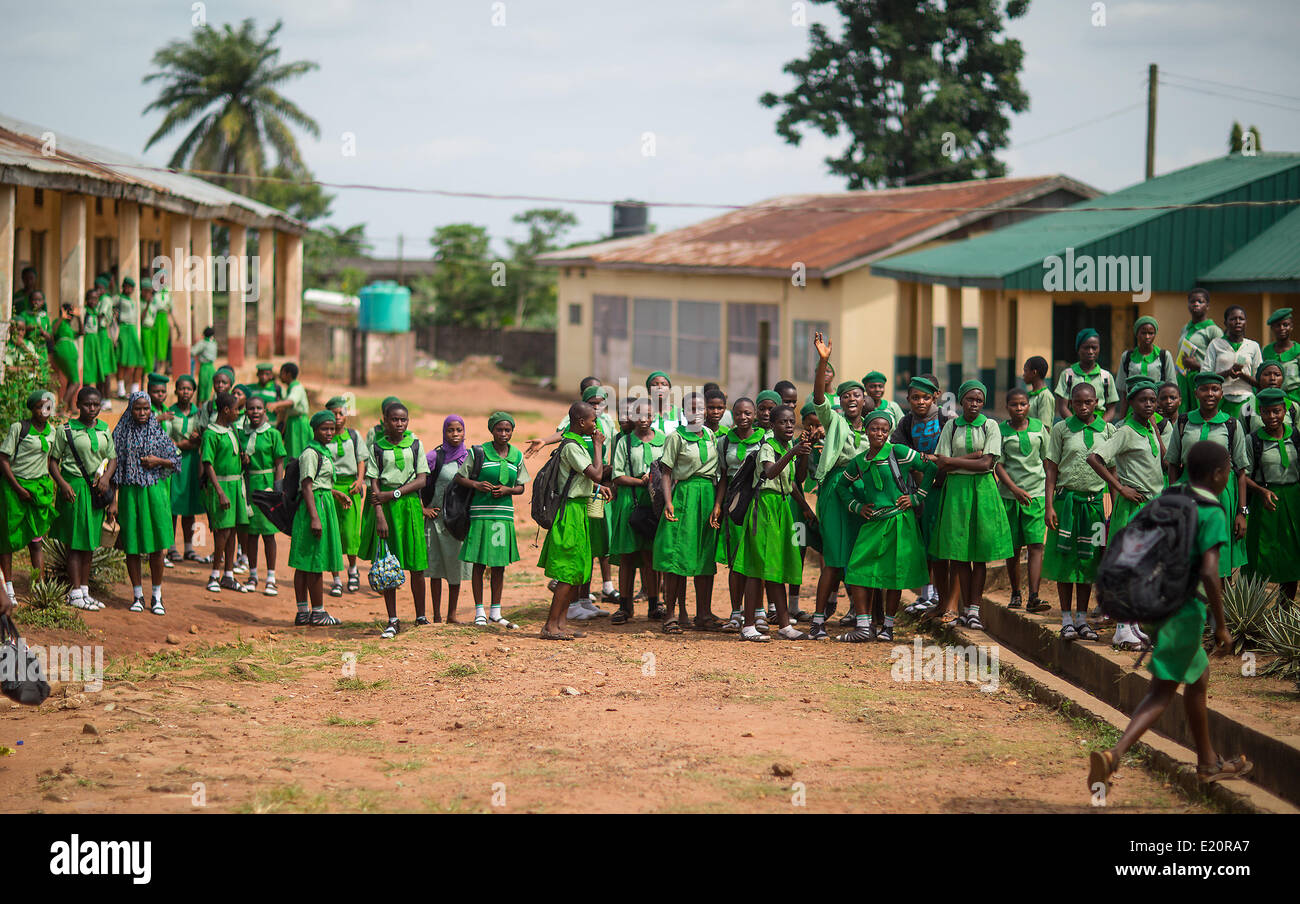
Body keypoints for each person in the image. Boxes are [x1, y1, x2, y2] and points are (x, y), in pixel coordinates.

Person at [1087, 441, 1252, 793]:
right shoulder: (1211, 511)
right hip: (1183, 611)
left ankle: (1208, 762)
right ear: (1219, 475)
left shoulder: (1170, 495)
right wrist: (1222, 626)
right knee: (1161, 692)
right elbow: (1210, 572)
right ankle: (1113, 755)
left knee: (1199, 678)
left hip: (1153, 602)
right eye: (1226, 472)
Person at [836, 408, 933, 642]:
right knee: (858, 570)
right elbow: (841, 487)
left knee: (894, 575)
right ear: (866, 431)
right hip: (873, 523)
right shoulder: (859, 462)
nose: (879, 433)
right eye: (874, 429)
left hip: (900, 521)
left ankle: (888, 628)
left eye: (884, 429)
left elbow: (930, 468)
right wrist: (858, 507)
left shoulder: (897, 452)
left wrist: (917, 497)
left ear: (889, 432)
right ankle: (863, 627)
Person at [924, 380, 1012, 630]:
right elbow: (941, 463)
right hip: (956, 493)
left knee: (979, 554)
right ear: (961, 401)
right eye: (970, 399)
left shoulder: (990, 425)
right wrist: (969, 457)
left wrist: (955, 461)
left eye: (979, 400)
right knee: (960, 555)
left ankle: (974, 609)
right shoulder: (951, 426)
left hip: (983, 492)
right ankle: (963, 609)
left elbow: (987, 464)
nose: (974, 404)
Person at [1087, 380, 1166, 650]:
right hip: (1134, 507)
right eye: (1143, 400)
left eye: (1152, 401)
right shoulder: (1125, 431)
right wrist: (1120, 487)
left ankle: (1133, 627)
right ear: (1130, 403)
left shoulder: (1148, 428)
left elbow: (1165, 461)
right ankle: (1122, 630)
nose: (1148, 405)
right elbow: (1094, 457)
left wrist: (1155, 426)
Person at [807, 332, 872, 640]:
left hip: (862, 491)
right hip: (835, 488)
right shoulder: (834, 422)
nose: (850, 400)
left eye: (856, 396)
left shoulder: (876, 427)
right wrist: (823, 361)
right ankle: (818, 620)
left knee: (858, 555)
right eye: (845, 396)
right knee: (833, 556)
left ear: (864, 400)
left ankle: (863, 622)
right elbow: (819, 396)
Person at [732, 404, 812, 641]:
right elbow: (770, 472)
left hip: (782, 506)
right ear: (772, 424)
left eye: (791, 421)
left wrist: (806, 507)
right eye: (782, 422)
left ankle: (785, 625)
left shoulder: (788, 446)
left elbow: (794, 482)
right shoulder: (768, 446)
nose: (788, 426)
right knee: (757, 568)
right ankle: (748, 626)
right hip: (764, 507)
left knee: (776, 567)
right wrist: (793, 453)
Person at [1043, 382, 1115, 641]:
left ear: (1097, 403)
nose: (1083, 407)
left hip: (1095, 505)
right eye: (1078, 402)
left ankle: (1083, 620)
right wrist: (1049, 505)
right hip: (1066, 504)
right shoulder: (1062, 429)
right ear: (1070, 404)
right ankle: (1066, 619)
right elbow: (1051, 469)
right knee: (1065, 560)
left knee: (1089, 561)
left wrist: (1113, 508)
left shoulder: (1108, 430)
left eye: (1088, 402)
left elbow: (1113, 472)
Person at [537, 401, 610, 639]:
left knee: (576, 568)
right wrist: (598, 446)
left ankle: (560, 624)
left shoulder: (575, 443)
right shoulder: (571, 446)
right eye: (592, 420)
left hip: (579, 509)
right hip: (570, 512)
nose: (595, 425)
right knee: (567, 571)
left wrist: (596, 487)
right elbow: (596, 471)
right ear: (581, 422)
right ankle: (550, 626)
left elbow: (583, 479)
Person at [1166, 373, 1249, 578]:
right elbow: (1173, 464)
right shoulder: (1183, 422)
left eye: (1215, 389)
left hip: (1222, 498)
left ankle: (1217, 607)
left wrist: (1241, 512)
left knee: (1220, 556)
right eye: (1204, 389)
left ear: (1222, 394)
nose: (1210, 394)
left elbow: (1241, 471)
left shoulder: (1231, 425)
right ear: (1196, 393)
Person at [652, 392, 722, 634]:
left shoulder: (712, 435)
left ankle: (703, 614)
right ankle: (670, 615)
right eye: (692, 408)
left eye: (701, 407)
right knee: (677, 556)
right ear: (684, 412)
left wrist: (716, 504)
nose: (698, 412)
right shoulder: (676, 437)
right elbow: (666, 472)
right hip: (684, 496)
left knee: (704, 556)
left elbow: (717, 472)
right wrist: (669, 501)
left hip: (707, 497)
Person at [455, 412, 529, 628]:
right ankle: (479, 610)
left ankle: (495, 611)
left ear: (512, 431)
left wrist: (508, 490)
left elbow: (521, 486)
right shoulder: (479, 452)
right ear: (492, 430)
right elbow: (460, 477)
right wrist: (477, 485)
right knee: (479, 563)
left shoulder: (516, 455)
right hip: (480, 514)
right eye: (499, 429)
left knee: (499, 564)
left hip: (503, 516)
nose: (504, 434)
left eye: (508, 430)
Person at [362, 402, 429, 637]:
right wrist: (379, 514)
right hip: (386, 511)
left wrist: (395, 494)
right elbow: (374, 484)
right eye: (394, 420)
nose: (399, 424)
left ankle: (421, 616)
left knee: (417, 564)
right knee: (387, 564)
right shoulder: (377, 448)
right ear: (385, 421)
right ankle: (393, 619)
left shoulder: (416, 444)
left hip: (409, 506)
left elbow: (422, 480)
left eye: (403, 420)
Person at [49, 387, 117, 611]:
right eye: (88, 404)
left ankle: (85, 591)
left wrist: (107, 478)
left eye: (96, 404)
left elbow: (112, 458)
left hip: (96, 491)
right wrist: (63, 485)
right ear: (78, 405)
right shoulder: (66, 429)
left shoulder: (105, 428)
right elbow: (53, 462)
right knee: (75, 542)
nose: (92, 409)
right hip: (74, 489)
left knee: (89, 542)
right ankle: (75, 592)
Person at [113, 391, 181, 613]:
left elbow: (176, 460)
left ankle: (157, 596)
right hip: (129, 494)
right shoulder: (120, 433)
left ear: (151, 410)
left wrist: (157, 460)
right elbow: (112, 465)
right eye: (137, 408)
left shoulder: (157, 432)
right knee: (131, 547)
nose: (142, 413)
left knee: (156, 548)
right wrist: (112, 501)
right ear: (130, 409)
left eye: (146, 409)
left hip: (154, 494)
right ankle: (137, 596)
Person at [891, 374, 949, 615]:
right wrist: (919, 478)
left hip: (944, 489)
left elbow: (950, 454)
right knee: (924, 543)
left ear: (935, 396)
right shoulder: (905, 424)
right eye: (915, 398)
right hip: (918, 492)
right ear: (908, 399)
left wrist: (937, 476)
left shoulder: (947, 420)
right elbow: (899, 453)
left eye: (926, 397)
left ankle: (941, 596)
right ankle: (926, 595)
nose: (921, 402)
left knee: (942, 543)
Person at [607, 396, 664, 624]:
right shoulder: (624, 442)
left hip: (655, 505)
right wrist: (641, 482)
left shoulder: (663, 440)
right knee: (627, 557)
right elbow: (617, 475)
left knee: (651, 556)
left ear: (655, 416)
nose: (644, 420)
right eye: (639, 415)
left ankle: (654, 604)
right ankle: (625, 606)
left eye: (648, 415)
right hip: (630, 503)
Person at [0, 391, 59, 609]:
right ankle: (9, 588)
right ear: (32, 409)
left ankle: (39, 587)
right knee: (8, 539)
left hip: (38, 490)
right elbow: (4, 459)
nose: (44, 412)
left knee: (36, 540)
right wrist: (17, 487)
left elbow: (52, 461)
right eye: (39, 407)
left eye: (48, 407)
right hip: (14, 489)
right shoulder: (19, 428)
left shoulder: (53, 432)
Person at [288, 411, 346, 626]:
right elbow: (307, 486)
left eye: (332, 429)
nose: (329, 432)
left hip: (322, 503)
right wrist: (315, 517)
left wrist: (336, 493)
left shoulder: (322, 451)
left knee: (305, 563)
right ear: (315, 430)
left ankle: (303, 612)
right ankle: (318, 612)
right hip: (315, 508)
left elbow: (322, 483)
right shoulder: (311, 453)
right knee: (315, 562)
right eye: (324, 429)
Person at [1243, 388, 1300, 602]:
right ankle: (1253, 613)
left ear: (1285, 410)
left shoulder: (1295, 436)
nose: (1272, 417)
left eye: (1277, 411)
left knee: (1291, 555)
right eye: (1266, 412)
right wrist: (1261, 491)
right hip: (1264, 501)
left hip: (1293, 500)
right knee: (1260, 554)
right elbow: (1243, 476)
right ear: (1261, 413)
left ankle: (1283, 612)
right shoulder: (1254, 440)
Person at [996, 387, 1050, 613]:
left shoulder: (1039, 428)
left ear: (1029, 406)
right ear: (1006, 407)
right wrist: (1014, 489)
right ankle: (1016, 593)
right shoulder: (1000, 430)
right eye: (1014, 405)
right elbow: (997, 464)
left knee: (1036, 545)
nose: (1019, 408)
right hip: (1010, 497)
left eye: (1023, 404)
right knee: (1014, 548)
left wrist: (1050, 494)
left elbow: (1047, 460)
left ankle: (1034, 596)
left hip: (1036, 495)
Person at [715, 397, 765, 631]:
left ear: (754, 414)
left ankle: (758, 611)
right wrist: (718, 505)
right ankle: (736, 612)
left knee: (756, 558)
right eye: (738, 414)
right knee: (735, 561)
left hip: (756, 505)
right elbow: (723, 477)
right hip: (734, 506)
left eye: (747, 413)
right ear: (732, 415)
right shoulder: (724, 442)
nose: (743, 418)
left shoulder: (764, 440)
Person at [200, 391, 251, 593]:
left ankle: (228, 574)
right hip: (220, 486)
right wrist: (219, 492)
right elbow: (208, 464)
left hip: (236, 485)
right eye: (237, 409)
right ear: (226, 410)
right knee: (223, 530)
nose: (239, 413)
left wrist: (242, 459)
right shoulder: (210, 433)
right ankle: (214, 574)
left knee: (233, 531)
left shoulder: (232, 430)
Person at [422, 415, 470, 622]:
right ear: (444, 432)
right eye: (451, 430)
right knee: (435, 567)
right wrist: (423, 508)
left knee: (454, 567)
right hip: (436, 520)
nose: (455, 434)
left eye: (459, 430)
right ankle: (437, 616)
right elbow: (417, 481)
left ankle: (452, 614)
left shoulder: (469, 457)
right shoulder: (434, 456)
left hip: (457, 522)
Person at [238, 395, 286, 596]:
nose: (255, 412)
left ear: (265, 411)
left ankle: (271, 578)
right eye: (251, 408)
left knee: (268, 534)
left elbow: (279, 464)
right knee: (251, 533)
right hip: (249, 485)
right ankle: (253, 575)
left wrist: (277, 489)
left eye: (259, 408)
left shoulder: (273, 434)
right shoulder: (241, 434)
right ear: (246, 412)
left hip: (267, 487)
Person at [324, 396, 367, 596]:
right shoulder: (324, 438)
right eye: (334, 414)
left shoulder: (354, 436)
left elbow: (361, 459)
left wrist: (359, 481)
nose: (338, 417)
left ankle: (353, 570)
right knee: (333, 534)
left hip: (351, 488)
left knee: (350, 534)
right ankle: (336, 578)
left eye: (341, 413)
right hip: (331, 489)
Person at [166, 375, 209, 564]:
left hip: (192, 463)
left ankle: (190, 548)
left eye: (189, 389)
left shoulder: (198, 414)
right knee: (173, 506)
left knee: (190, 507)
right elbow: (167, 440)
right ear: (175, 391)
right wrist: (183, 443)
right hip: (174, 462)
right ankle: (171, 547)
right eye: (182, 388)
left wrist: (196, 440)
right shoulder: (170, 413)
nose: (185, 392)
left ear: (193, 392)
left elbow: (203, 437)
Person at [1202, 305, 1262, 420]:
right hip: (1222, 398)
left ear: (1246, 322)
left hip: (1247, 399)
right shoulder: (1215, 344)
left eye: (1241, 319)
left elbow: (1259, 381)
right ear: (1225, 322)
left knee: (1248, 432)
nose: (1237, 322)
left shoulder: (1253, 346)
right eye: (1233, 319)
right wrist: (1227, 373)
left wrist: (1241, 374)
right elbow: (1205, 376)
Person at [1116, 316, 1177, 418]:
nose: (1147, 337)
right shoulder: (1127, 356)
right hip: (1133, 412)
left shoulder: (1164, 356)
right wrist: (1121, 418)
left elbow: (1172, 388)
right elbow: (1124, 393)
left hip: (1157, 410)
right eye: (1143, 333)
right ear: (1137, 334)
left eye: (1151, 333)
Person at [1174, 288, 1223, 415]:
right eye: (1192, 301)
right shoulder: (1185, 328)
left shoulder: (1213, 330)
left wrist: (1197, 366)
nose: (1196, 304)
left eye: (1200, 301)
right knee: (1183, 416)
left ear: (1207, 306)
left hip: (1202, 381)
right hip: (1183, 380)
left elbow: (1221, 363)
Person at [1055, 328, 1118, 422]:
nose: (1090, 351)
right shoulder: (1068, 375)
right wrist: (1075, 424)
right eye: (1086, 347)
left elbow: (1111, 409)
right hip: (1073, 425)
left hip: (1100, 426)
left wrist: (1100, 425)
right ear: (1078, 349)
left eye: (1094, 347)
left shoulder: (1106, 377)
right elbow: (1063, 407)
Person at [270, 362, 311, 459]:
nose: (280, 376)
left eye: (282, 373)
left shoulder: (297, 387)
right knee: (292, 450)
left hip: (299, 423)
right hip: (292, 422)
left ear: (288, 374)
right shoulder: (290, 388)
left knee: (299, 451)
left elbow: (291, 402)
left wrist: (275, 405)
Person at [115, 276, 147, 396]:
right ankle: (120, 390)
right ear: (123, 287)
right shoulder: (118, 299)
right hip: (123, 328)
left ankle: (134, 390)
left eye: (131, 287)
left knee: (139, 360)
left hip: (132, 329)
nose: (129, 289)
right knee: (122, 360)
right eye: (127, 286)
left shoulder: (132, 301)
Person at [1262, 308, 1300, 405]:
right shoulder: (1266, 351)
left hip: (1295, 399)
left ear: (1291, 327)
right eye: (1277, 325)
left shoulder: (1298, 351)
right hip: (1272, 400)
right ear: (1272, 328)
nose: (1282, 328)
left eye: (1285, 325)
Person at [50, 302, 82, 413]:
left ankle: (70, 407)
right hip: (65, 351)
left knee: (71, 381)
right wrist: (61, 318)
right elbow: (52, 332)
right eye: (69, 312)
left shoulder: (68, 326)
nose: (70, 315)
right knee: (76, 382)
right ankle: (61, 409)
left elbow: (81, 332)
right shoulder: (59, 322)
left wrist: (79, 317)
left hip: (70, 353)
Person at [1023, 356, 1054, 426]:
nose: (1023, 374)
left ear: (1034, 372)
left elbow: (1045, 427)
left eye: (1025, 371)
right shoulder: (1030, 395)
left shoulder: (1045, 396)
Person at [190, 326, 218, 403]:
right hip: (212, 367)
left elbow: (192, 352)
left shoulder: (203, 343)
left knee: (202, 387)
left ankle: (201, 405)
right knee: (209, 387)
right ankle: (207, 403)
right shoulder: (214, 343)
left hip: (204, 367)